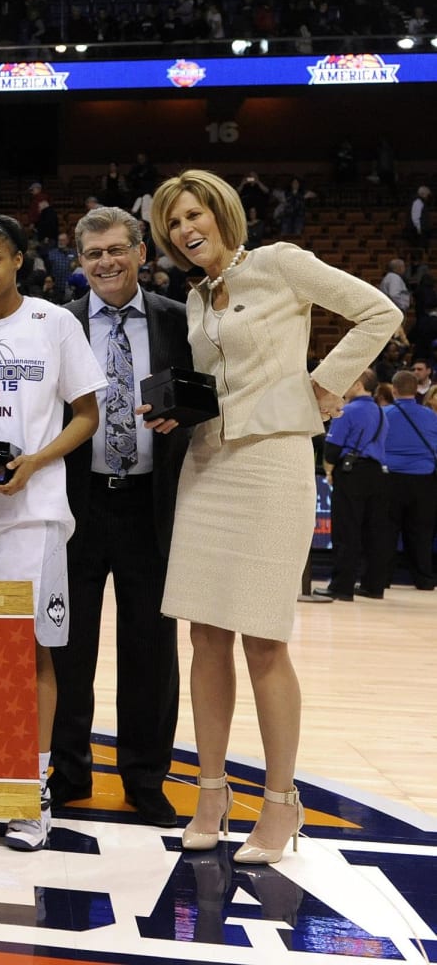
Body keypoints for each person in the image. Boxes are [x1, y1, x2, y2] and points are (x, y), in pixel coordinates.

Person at [148, 169, 400, 864]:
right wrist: (178, 411)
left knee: (263, 639)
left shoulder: (281, 264)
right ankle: (211, 791)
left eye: (192, 213)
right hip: (207, 463)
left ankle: (283, 803)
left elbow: (381, 312)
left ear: (222, 211)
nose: (182, 230)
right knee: (204, 636)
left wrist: (322, 384)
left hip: (272, 463)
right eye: (171, 223)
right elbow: (216, 384)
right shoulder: (193, 296)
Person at [0, 214, 103, 851]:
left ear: (19, 261)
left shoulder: (54, 323)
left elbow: (86, 413)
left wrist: (34, 461)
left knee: (33, 650)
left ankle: (31, 789)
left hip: (32, 512)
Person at [53, 207, 192, 827]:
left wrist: (184, 413)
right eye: (92, 254)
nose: (105, 262)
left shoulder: (177, 319)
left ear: (141, 252)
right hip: (76, 503)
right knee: (67, 644)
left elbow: (201, 396)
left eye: (116, 249)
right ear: (78, 263)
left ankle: (144, 777)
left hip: (149, 503)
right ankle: (68, 770)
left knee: (150, 647)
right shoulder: (57, 324)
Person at [316, 369, 391, 600]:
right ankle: (373, 585)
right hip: (377, 473)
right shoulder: (381, 412)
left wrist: (329, 468)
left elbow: (333, 448)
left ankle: (342, 586)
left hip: (352, 472)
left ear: (358, 384)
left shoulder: (347, 411)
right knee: (373, 531)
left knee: (346, 530)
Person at [379, 369, 437, 591]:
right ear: (416, 390)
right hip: (424, 481)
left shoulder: (384, 414)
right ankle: (423, 579)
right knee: (421, 534)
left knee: (386, 532)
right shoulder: (430, 416)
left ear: (393, 390)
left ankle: (381, 578)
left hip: (391, 479)